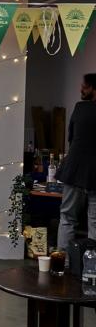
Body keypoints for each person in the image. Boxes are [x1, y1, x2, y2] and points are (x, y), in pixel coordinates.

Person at [56, 73, 96, 254]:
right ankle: (92, 266)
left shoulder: (80, 108)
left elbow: (71, 138)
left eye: (85, 87)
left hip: (74, 170)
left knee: (67, 218)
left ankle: (62, 262)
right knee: (94, 221)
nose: (81, 89)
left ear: (94, 90)